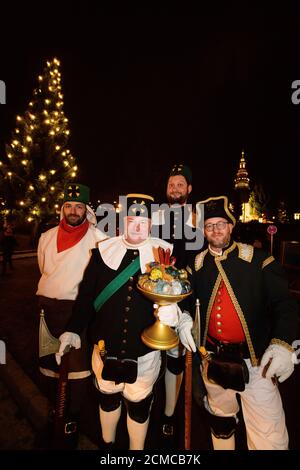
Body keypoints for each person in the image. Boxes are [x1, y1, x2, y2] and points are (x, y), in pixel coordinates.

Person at [175, 195, 298, 450]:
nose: (215, 230)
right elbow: (185, 298)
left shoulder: (258, 259)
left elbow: (284, 304)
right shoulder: (197, 265)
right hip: (213, 360)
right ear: (203, 231)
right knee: (220, 424)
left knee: (268, 436)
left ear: (232, 226)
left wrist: (283, 343)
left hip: (255, 363)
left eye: (221, 224)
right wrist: (184, 317)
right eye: (209, 226)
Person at [56, 193, 176, 450]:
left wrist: (176, 315)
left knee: (139, 407)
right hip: (104, 349)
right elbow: (86, 298)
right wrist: (73, 330)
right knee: (108, 401)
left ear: (150, 225)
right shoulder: (102, 253)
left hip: (144, 354)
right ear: (122, 222)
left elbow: (175, 297)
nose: (137, 226)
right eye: (132, 220)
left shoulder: (162, 256)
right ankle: (107, 449)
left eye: (142, 222)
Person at [36, 183, 106, 448]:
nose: (74, 211)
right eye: (69, 206)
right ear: (62, 208)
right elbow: (44, 267)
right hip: (47, 309)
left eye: (79, 206)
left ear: (86, 209)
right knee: (49, 366)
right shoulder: (46, 237)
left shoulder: (98, 238)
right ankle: (55, 412)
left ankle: (71, 419)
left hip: (77, 310)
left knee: (77, 371)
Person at [151, 164, 202, 437]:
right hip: (152, 294)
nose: (175, 188)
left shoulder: (198, 219)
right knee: (148, 350)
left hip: (184, 296)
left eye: (180, 184)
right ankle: (144, 402)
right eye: (171, 184)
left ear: (189, 189)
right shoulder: (155, 216)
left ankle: (169, 413)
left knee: (175, 356)